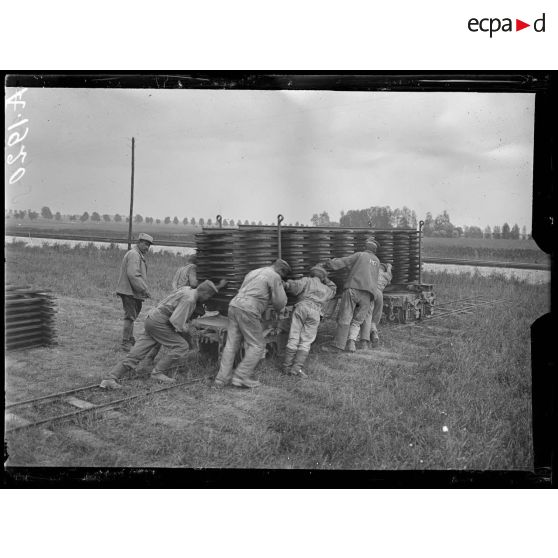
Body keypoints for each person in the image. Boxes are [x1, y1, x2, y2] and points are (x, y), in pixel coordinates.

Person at [100, 279, 227, 389]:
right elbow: (176, 322)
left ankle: (110, 378)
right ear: (204, 293)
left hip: (152, 318)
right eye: (208, 297)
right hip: (161, 322)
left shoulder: (187, 289)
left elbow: (205, 289)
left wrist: (219, 286)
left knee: (137, 352)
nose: (207, 300)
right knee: (181, 346)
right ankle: (157, 372)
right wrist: (191, 332)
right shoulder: (190, 300)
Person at [213, 259, 291, 389]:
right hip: (249, 308)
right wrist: (281, 310)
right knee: (257, 345)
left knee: (231, 344)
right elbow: (279, 302)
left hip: (234, 305)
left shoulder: (253, 272)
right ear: (281, 271)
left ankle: (221, 379)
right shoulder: (274, 276)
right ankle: (241, 377)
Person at [322, 238, 381, 353]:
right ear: (375, 250)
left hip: (354, 289)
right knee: (358, 321)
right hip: (368, 295)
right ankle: (352, 344)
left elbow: (344, 262)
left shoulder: (360, 255)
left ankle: (338, 346)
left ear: (366, 247)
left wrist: (329, 263)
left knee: (346, 316)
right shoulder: (377, 261)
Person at [282, 265, 337, 377]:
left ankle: (286, 366)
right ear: (322, 278)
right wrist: (326, 279)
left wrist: (286, 284)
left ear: (312, 274)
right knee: (306, 341)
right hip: (315, 312)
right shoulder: (326, 289)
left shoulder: (306, 280)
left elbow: (295, 287)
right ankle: (296, 369)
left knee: (294, 336)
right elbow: (334, 289)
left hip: (302, 308)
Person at [115, 233, 153, 352]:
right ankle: (125, 342)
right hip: (129, 291)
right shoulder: (134, 255)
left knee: (132, 316)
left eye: (149, 245)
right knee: (130, 317)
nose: (147, 247)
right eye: (145, 244)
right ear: (139, 242)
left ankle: (130, 339)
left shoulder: (138, 254)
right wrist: (144, 289)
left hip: (132, 291)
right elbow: (133, 274)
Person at [358, 262, 392, 349]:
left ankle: (364, 341)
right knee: (375, 317)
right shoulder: (386, 275)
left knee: (367, 316)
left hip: (372, 292)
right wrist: (389, 267)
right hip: (380, 295)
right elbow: (389, 276)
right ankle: (374, 334)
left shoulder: (373, 272)